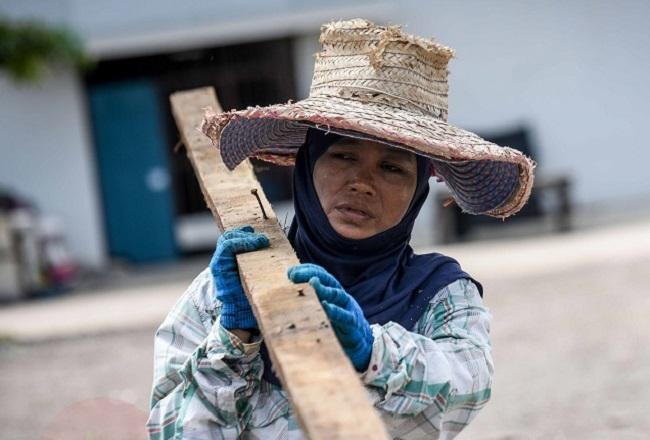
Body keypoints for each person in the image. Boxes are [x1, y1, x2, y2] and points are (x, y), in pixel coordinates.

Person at [147, 18, 534, 439]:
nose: (362, 184)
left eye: (392, 168)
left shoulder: (441, 293)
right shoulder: (226, 289)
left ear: (419, 189)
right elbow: (171, 430)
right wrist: (235, 337)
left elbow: (466, 388)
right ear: (308, 162)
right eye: (343, 156)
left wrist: (373, 351)